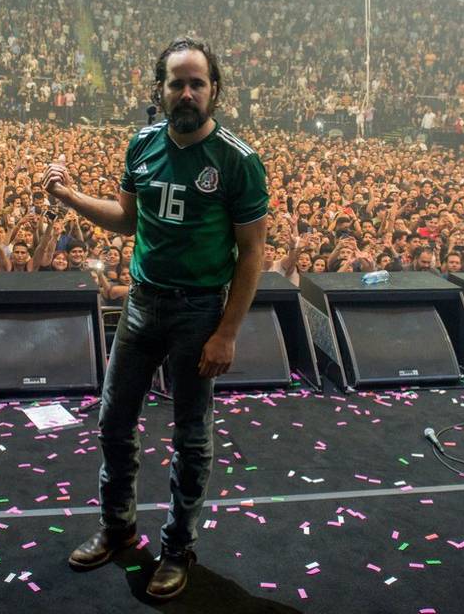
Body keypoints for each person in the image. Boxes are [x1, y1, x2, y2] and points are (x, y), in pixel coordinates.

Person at [45, 36, 268, 600]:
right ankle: (119, 529)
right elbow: (126, 219)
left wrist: (227, 332)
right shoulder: (141, 144)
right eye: (177, 83)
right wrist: (71, 197)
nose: (187, 92)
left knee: (191, 439)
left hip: (198, 312)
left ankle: (176, 549)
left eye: (197, 83)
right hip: (141, 305)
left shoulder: (238, 161)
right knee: (113, 424)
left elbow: (253, 254)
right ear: (160, 91)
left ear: (215, 90)